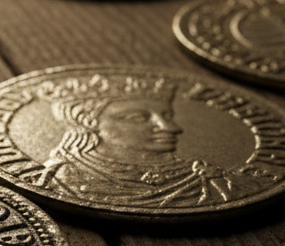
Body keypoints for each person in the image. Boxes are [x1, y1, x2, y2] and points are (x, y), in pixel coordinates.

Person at [37, 74, 251, 207]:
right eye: (137, 118)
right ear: (88, 121)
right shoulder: (62, 178)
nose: (170, 128)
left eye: (167, 116)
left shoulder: (207, 178)